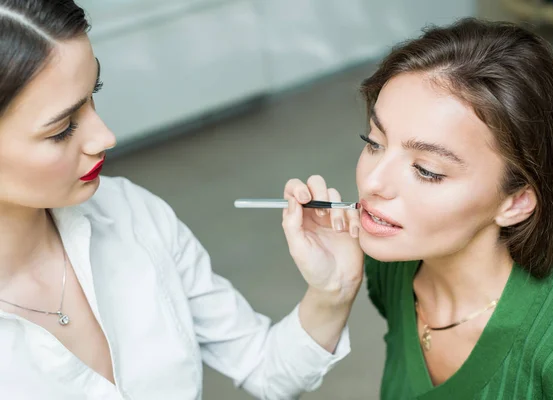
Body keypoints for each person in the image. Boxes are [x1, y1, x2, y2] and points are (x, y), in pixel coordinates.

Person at [0, 1, 363, 398]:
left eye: (94, 94)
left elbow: (265, 368)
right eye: (63, 128)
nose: (105, 137)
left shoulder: (132, 214)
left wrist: (333, 290)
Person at [286, 18, 553, 399]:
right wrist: (331, 289)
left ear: (515, 201)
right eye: (373, 142)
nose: (373, 182)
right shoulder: (391, 269)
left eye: (426, 170)